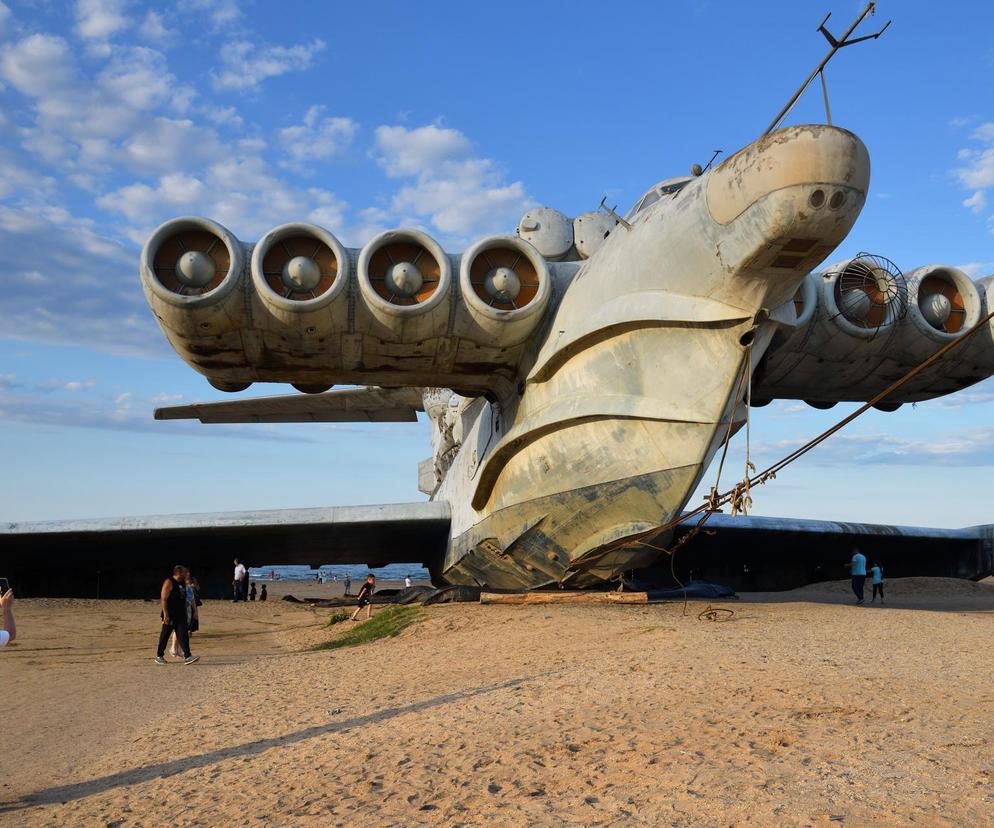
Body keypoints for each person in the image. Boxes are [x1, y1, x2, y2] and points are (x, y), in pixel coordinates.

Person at [156, 566, 200, 665]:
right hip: (170, 614)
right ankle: (159, 655)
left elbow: (186, 597)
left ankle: (187, 656)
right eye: (185, 572)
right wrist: (166, 614)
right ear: (179, 573)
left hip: (180, 614)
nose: (187, 574)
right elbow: (163, 599)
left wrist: (192, 611)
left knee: (183, 634)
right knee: (165, 635)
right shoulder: (169, 582)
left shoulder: (182, 583)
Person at [169, 570, 199, 658]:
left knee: (184, 629)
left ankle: (179, 649)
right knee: (178, 629)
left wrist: (195, 611)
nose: (188, 574)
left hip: (188, 609)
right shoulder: (178, 585)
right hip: (180, 609)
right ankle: (173, 647)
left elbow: (192, 599)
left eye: (188, 573)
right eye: (186, 573)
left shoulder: (188, 585)